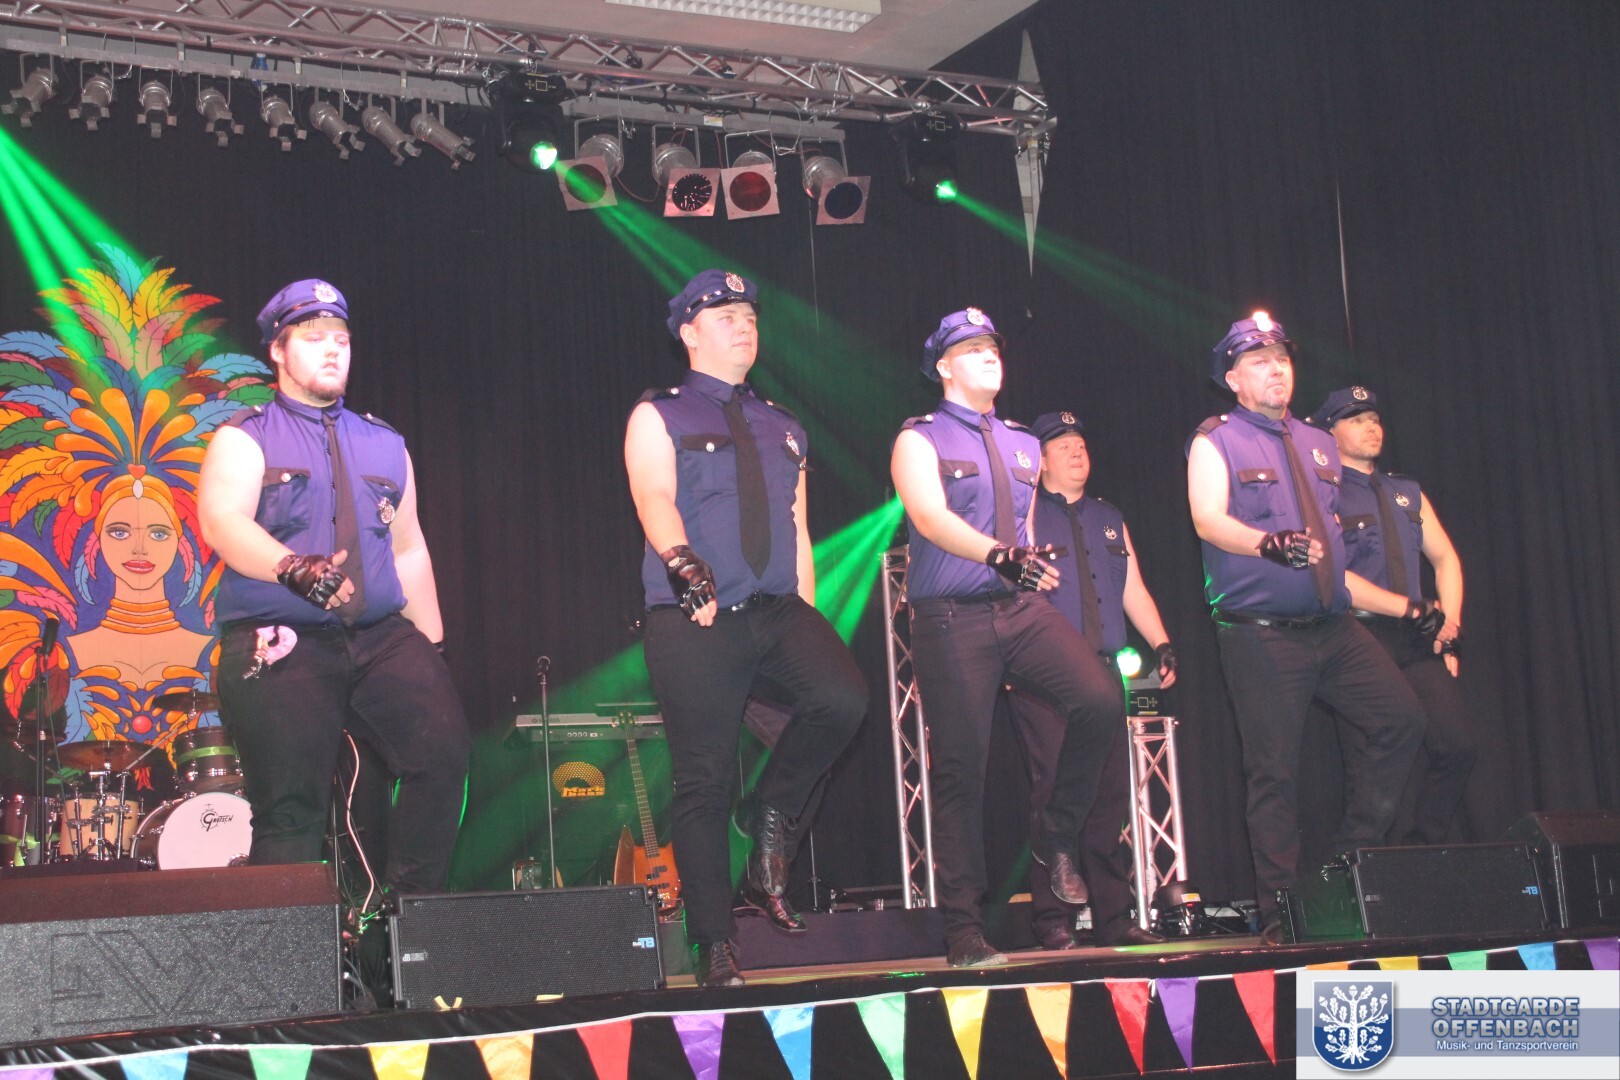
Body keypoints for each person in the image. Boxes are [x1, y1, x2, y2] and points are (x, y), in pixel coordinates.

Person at [624, 269, 867, 988]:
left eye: (750, 316)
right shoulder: (660, 413)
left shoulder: (783, 424)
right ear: (689, 333)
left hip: (775, 608)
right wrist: (681, 561)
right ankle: (715, 945)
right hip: (693, 614)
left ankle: (768, 809)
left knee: (843, 698)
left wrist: (809, 614)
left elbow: (797, 527)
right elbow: (653, 493)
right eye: (725, 316)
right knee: (702, 779)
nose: (743, 325)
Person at [197, 279, 469, 896]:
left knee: (443, 757)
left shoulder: (386, 442)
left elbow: (409, 547)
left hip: (378, 636)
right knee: (291, 809)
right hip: (280, 635)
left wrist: (431, 645)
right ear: (278, 350)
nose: (331, 350)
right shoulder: (246, 435)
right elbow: (222, 522)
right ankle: (288, 956)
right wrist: (294, 567)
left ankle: (405, 923)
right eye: (314, 338)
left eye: (341, 340)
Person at [1185, 312, 1430, 943]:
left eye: (1282, 359)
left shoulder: (1320, 442)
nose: (1276, 369)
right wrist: (1267, 543)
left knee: (1402, 719)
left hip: (1332, 625)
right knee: (1274, 773)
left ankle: (1345, 867)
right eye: (1259, 361)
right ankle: (1282, 914)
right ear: (1233, 379)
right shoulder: (1216, 440)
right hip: (1260, 632)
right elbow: (1208, 519)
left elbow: (1338, 534)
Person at [891, 309, 1121, 967]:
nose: (989, 354)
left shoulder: (1023, 441)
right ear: (943, 366)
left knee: (1101, 700)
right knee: (962, 772)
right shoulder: (919, 437)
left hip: (1019, 609)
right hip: (950, 619)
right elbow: (928, 518)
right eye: (971, 348)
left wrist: (1022, 564)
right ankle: (964, 930)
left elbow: (1025, 528)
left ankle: (1054, 835)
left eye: (993, 345)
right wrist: (998, 555)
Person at [1007, 410, 1176, 949]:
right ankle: (1052, 920)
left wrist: (1161, 641)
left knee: (1109, 796)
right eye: (1062, 445)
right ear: (1039, 460)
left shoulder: (1109, 516)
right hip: (1046, 676)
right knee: (1054, 789)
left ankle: (1114, 917)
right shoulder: (1024, 512)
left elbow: (1133, 588)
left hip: (1103, 675)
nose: (1077, 450)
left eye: (1080, 442)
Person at [1308, 387, 1471, 843]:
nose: (1371, 427)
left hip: (1415, 636)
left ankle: (1424, 849)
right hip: (1358, 636)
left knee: (1457, 747)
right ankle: (1360, 862)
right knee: (1370, 759)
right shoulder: (1325, 494)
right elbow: (1333, 573)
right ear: (1330, 433)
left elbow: (1445, 559)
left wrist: (1449, 626)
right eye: (1356, 419)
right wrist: (1411, 609)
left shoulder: (1406, 491)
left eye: (1374, 418)